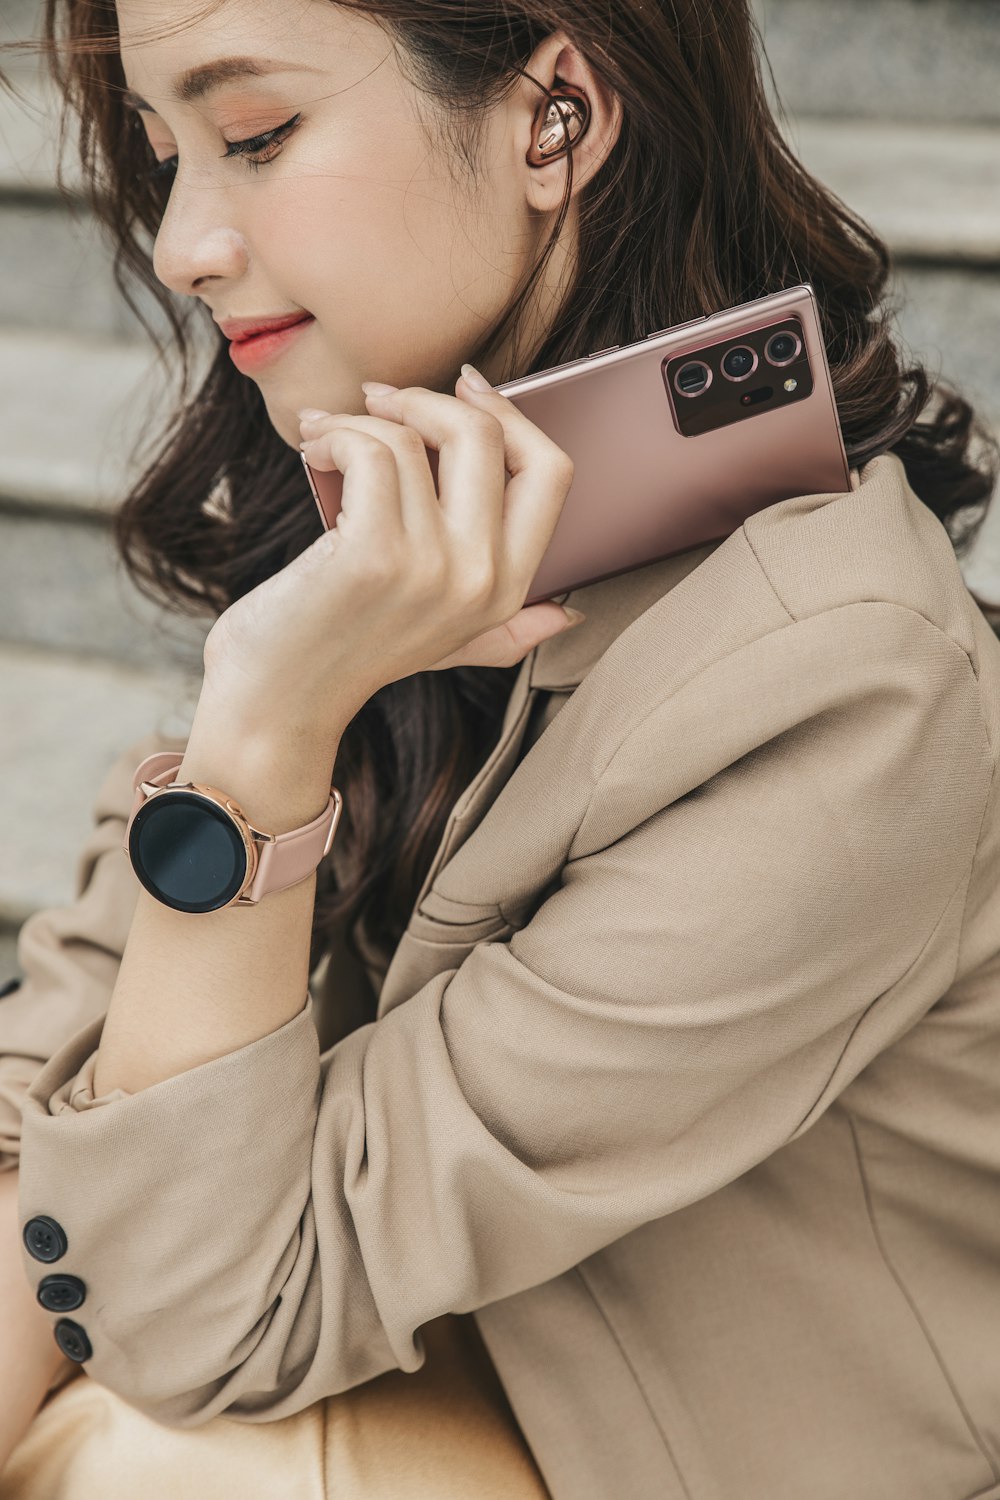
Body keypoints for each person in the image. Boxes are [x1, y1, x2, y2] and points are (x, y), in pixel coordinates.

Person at [1, 0, 999, 1496]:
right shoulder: (392, 516)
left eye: (256, 135)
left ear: (557, 118)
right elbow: (53, 1114)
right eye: (162, 153)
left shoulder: (844, 689)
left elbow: (196, 1310)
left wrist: (266, 736)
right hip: (458, 1348)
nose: (181, 243)